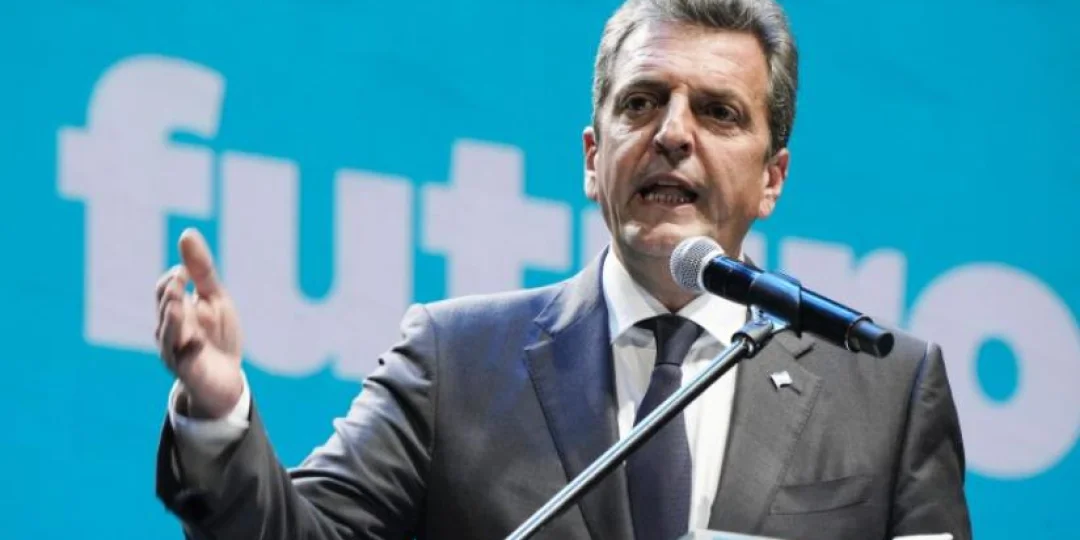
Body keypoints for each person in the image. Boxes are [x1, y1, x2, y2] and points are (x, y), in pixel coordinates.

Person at [153, 0, 972, 538]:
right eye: (641, 103)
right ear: (592, 156)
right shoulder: (454, 360)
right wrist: (217, 411)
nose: (672, 134)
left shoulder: (888, 393)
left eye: (718, 112)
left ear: (772, 178)